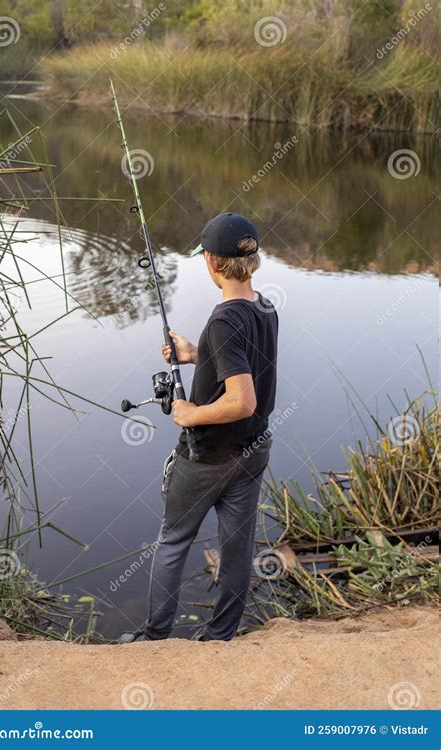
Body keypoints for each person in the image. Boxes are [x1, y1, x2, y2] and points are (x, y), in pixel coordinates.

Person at [119, 212, 278, 643]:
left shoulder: (225, 319)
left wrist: (189, 415)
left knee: (172, 542)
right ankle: (221, 636)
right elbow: (242, 364)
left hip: (209, 455)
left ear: (212, 262)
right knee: (238, 548)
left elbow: (242, 400)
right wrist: (196, 354)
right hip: (253, 452)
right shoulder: (263, 306)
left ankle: (155, 637)